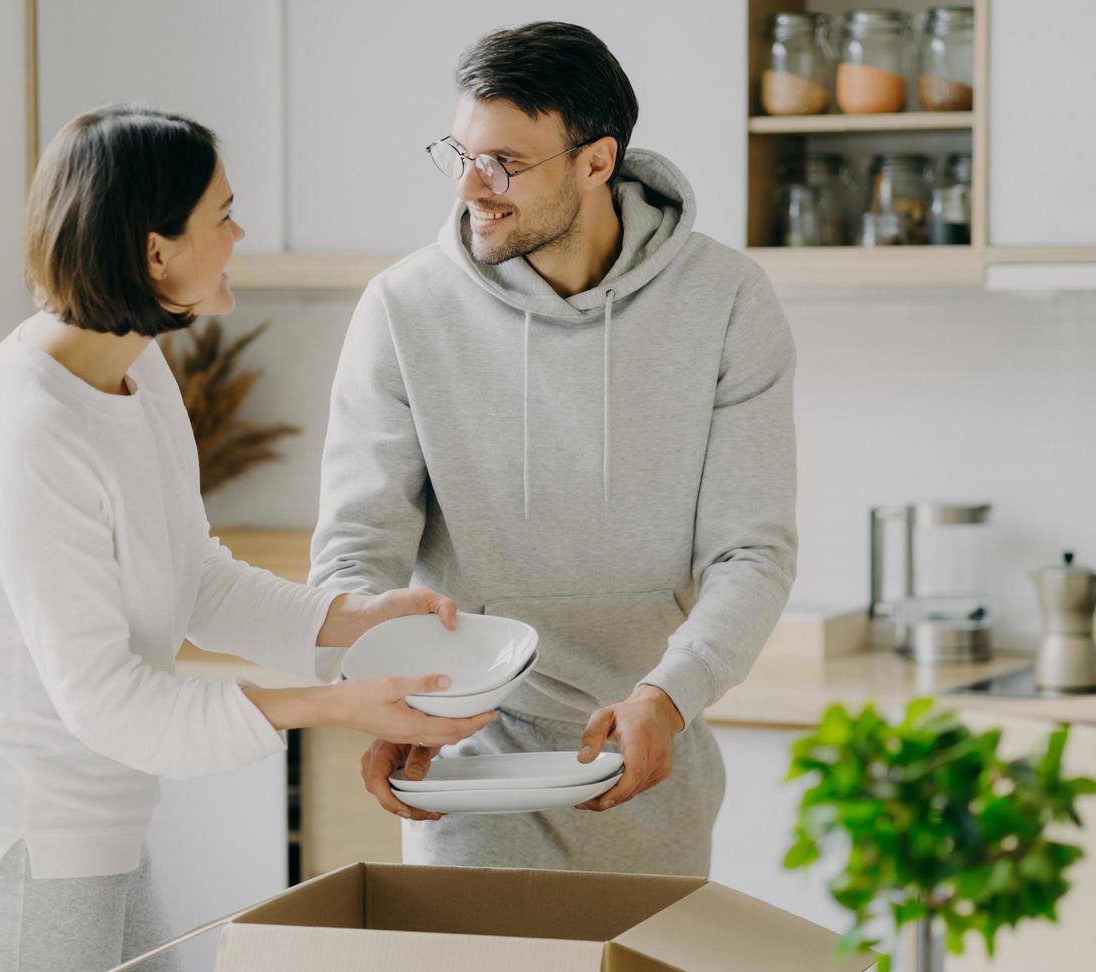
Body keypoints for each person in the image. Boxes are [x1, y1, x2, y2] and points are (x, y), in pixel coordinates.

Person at [0, 104, 493, 972]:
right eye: (223, 214)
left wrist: (349, 619)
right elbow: (110, 701)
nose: (240, 232)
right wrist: (331, 706)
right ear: (155, 251)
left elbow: (193, 576)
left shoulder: (136, 371)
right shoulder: (30, 431)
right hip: (13, 840)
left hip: (97, 824)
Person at [311, 22, 797, 876]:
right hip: (464, 756)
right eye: (459, 154)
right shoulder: (403, 308)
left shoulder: (726, 300)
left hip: (651, 751)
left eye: (504, 162)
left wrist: (668, 697)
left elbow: (751, 550)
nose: (471, 187)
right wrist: (385, 696)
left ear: (597, 161)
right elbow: (357, 550)